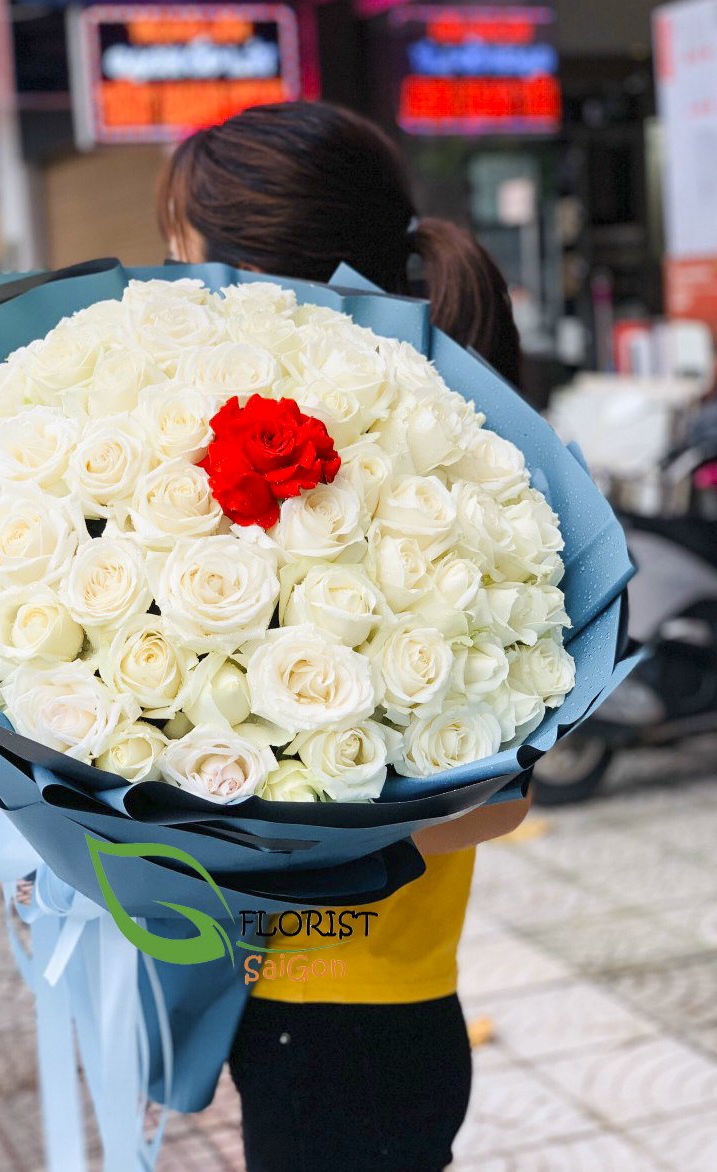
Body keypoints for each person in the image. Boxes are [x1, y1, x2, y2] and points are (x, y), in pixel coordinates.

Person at [157, 100, 531, 1172]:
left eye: (179, 255)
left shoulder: (440, 487)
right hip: (320, 998)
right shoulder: (241, 464)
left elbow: (501, 802)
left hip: (353, 1005)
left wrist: (287, 831)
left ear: (250, 277)